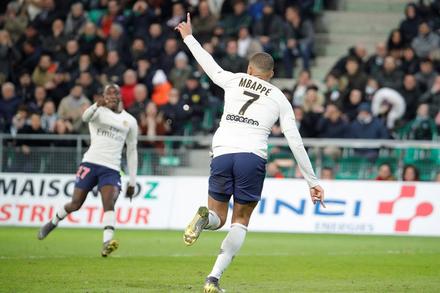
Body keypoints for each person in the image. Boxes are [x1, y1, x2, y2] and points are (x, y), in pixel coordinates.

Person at [175, 14, 324, 293]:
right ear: (271, 75)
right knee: (240, 220)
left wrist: (188, 37)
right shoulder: (279, 97)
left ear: (249, 68)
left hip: (221, 152)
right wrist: (312, 181)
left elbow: (209, 65)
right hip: (251, 156)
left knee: (217, 217)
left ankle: (204, 218)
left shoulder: (234, 80)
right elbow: (295, 140)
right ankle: (213, 279)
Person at [37, 84, 138, 258]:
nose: (112, 97)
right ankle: (52, 222)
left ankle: (107, 243)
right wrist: (96, 105)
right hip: (90, 163)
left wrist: (132, 181)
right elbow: (85, 117)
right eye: (108, 94)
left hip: (112, 168)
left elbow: (132, 150)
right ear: (104, 96)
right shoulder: (98, 111)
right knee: (75, 204)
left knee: (109, 201)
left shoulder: (130, 121)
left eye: (115, 94)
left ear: (120, 96)